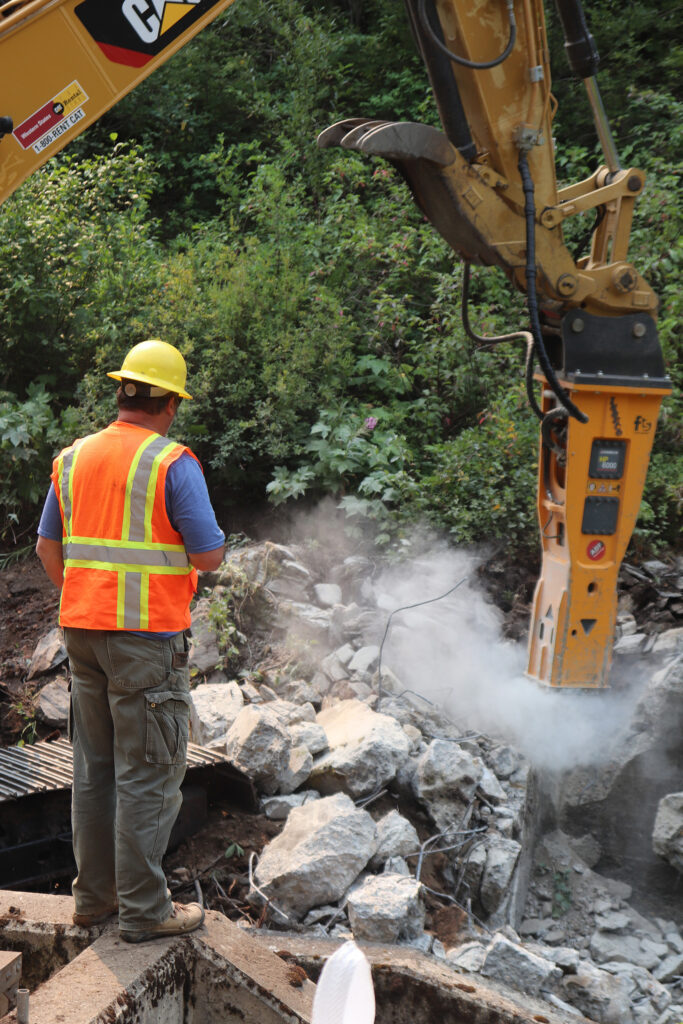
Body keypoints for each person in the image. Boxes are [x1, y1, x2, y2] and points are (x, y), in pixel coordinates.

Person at [36, 339, 225, 943]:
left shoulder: (73, 458)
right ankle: (144, 911)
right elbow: (209, 555)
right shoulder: (172, 463)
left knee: (94, 770)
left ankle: (93, 899)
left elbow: (48, 548)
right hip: (146, 643)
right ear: (169, 402)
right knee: (149, 773)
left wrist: (88, 597)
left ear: (123, 391)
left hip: (82, 634)